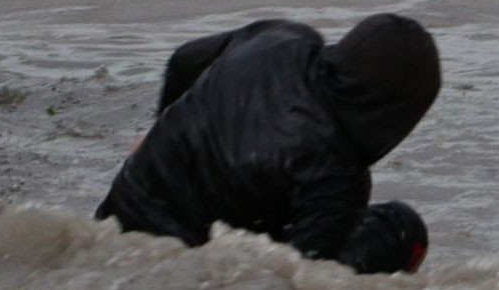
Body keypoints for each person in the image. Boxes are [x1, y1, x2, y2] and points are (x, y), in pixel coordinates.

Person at [97, 14, 439, 275]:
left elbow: (184, 59)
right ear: (395, 115)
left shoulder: (282, 38)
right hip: (184, 267)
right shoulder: (337, 179)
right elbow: (300, 279)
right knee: (402, 227)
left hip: (116, 219)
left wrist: (157, 130)